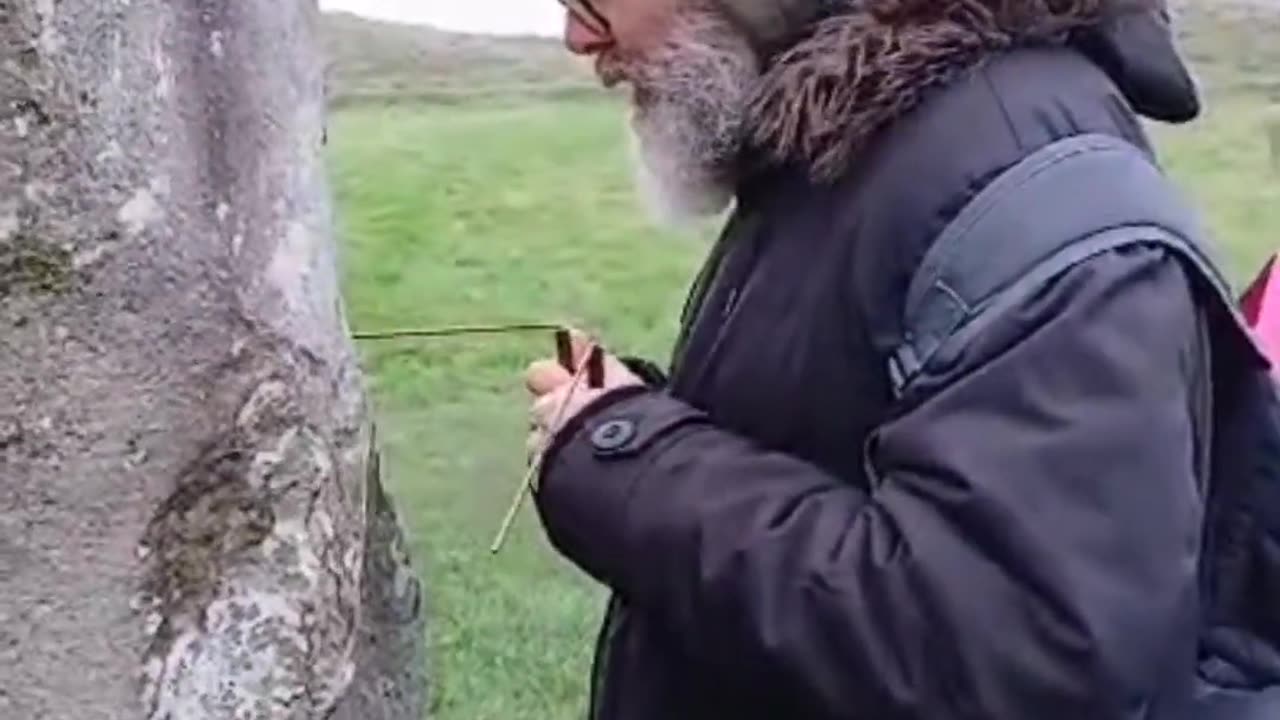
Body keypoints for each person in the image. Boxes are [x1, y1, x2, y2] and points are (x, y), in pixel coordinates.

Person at [522, 1, 1222, 718]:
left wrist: (627, 457)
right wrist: (636, 418)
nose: (579, 38)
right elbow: (827, 446)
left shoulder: (1020, 173)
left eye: (590, 3)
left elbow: (1011, 661)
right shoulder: (851, 135)